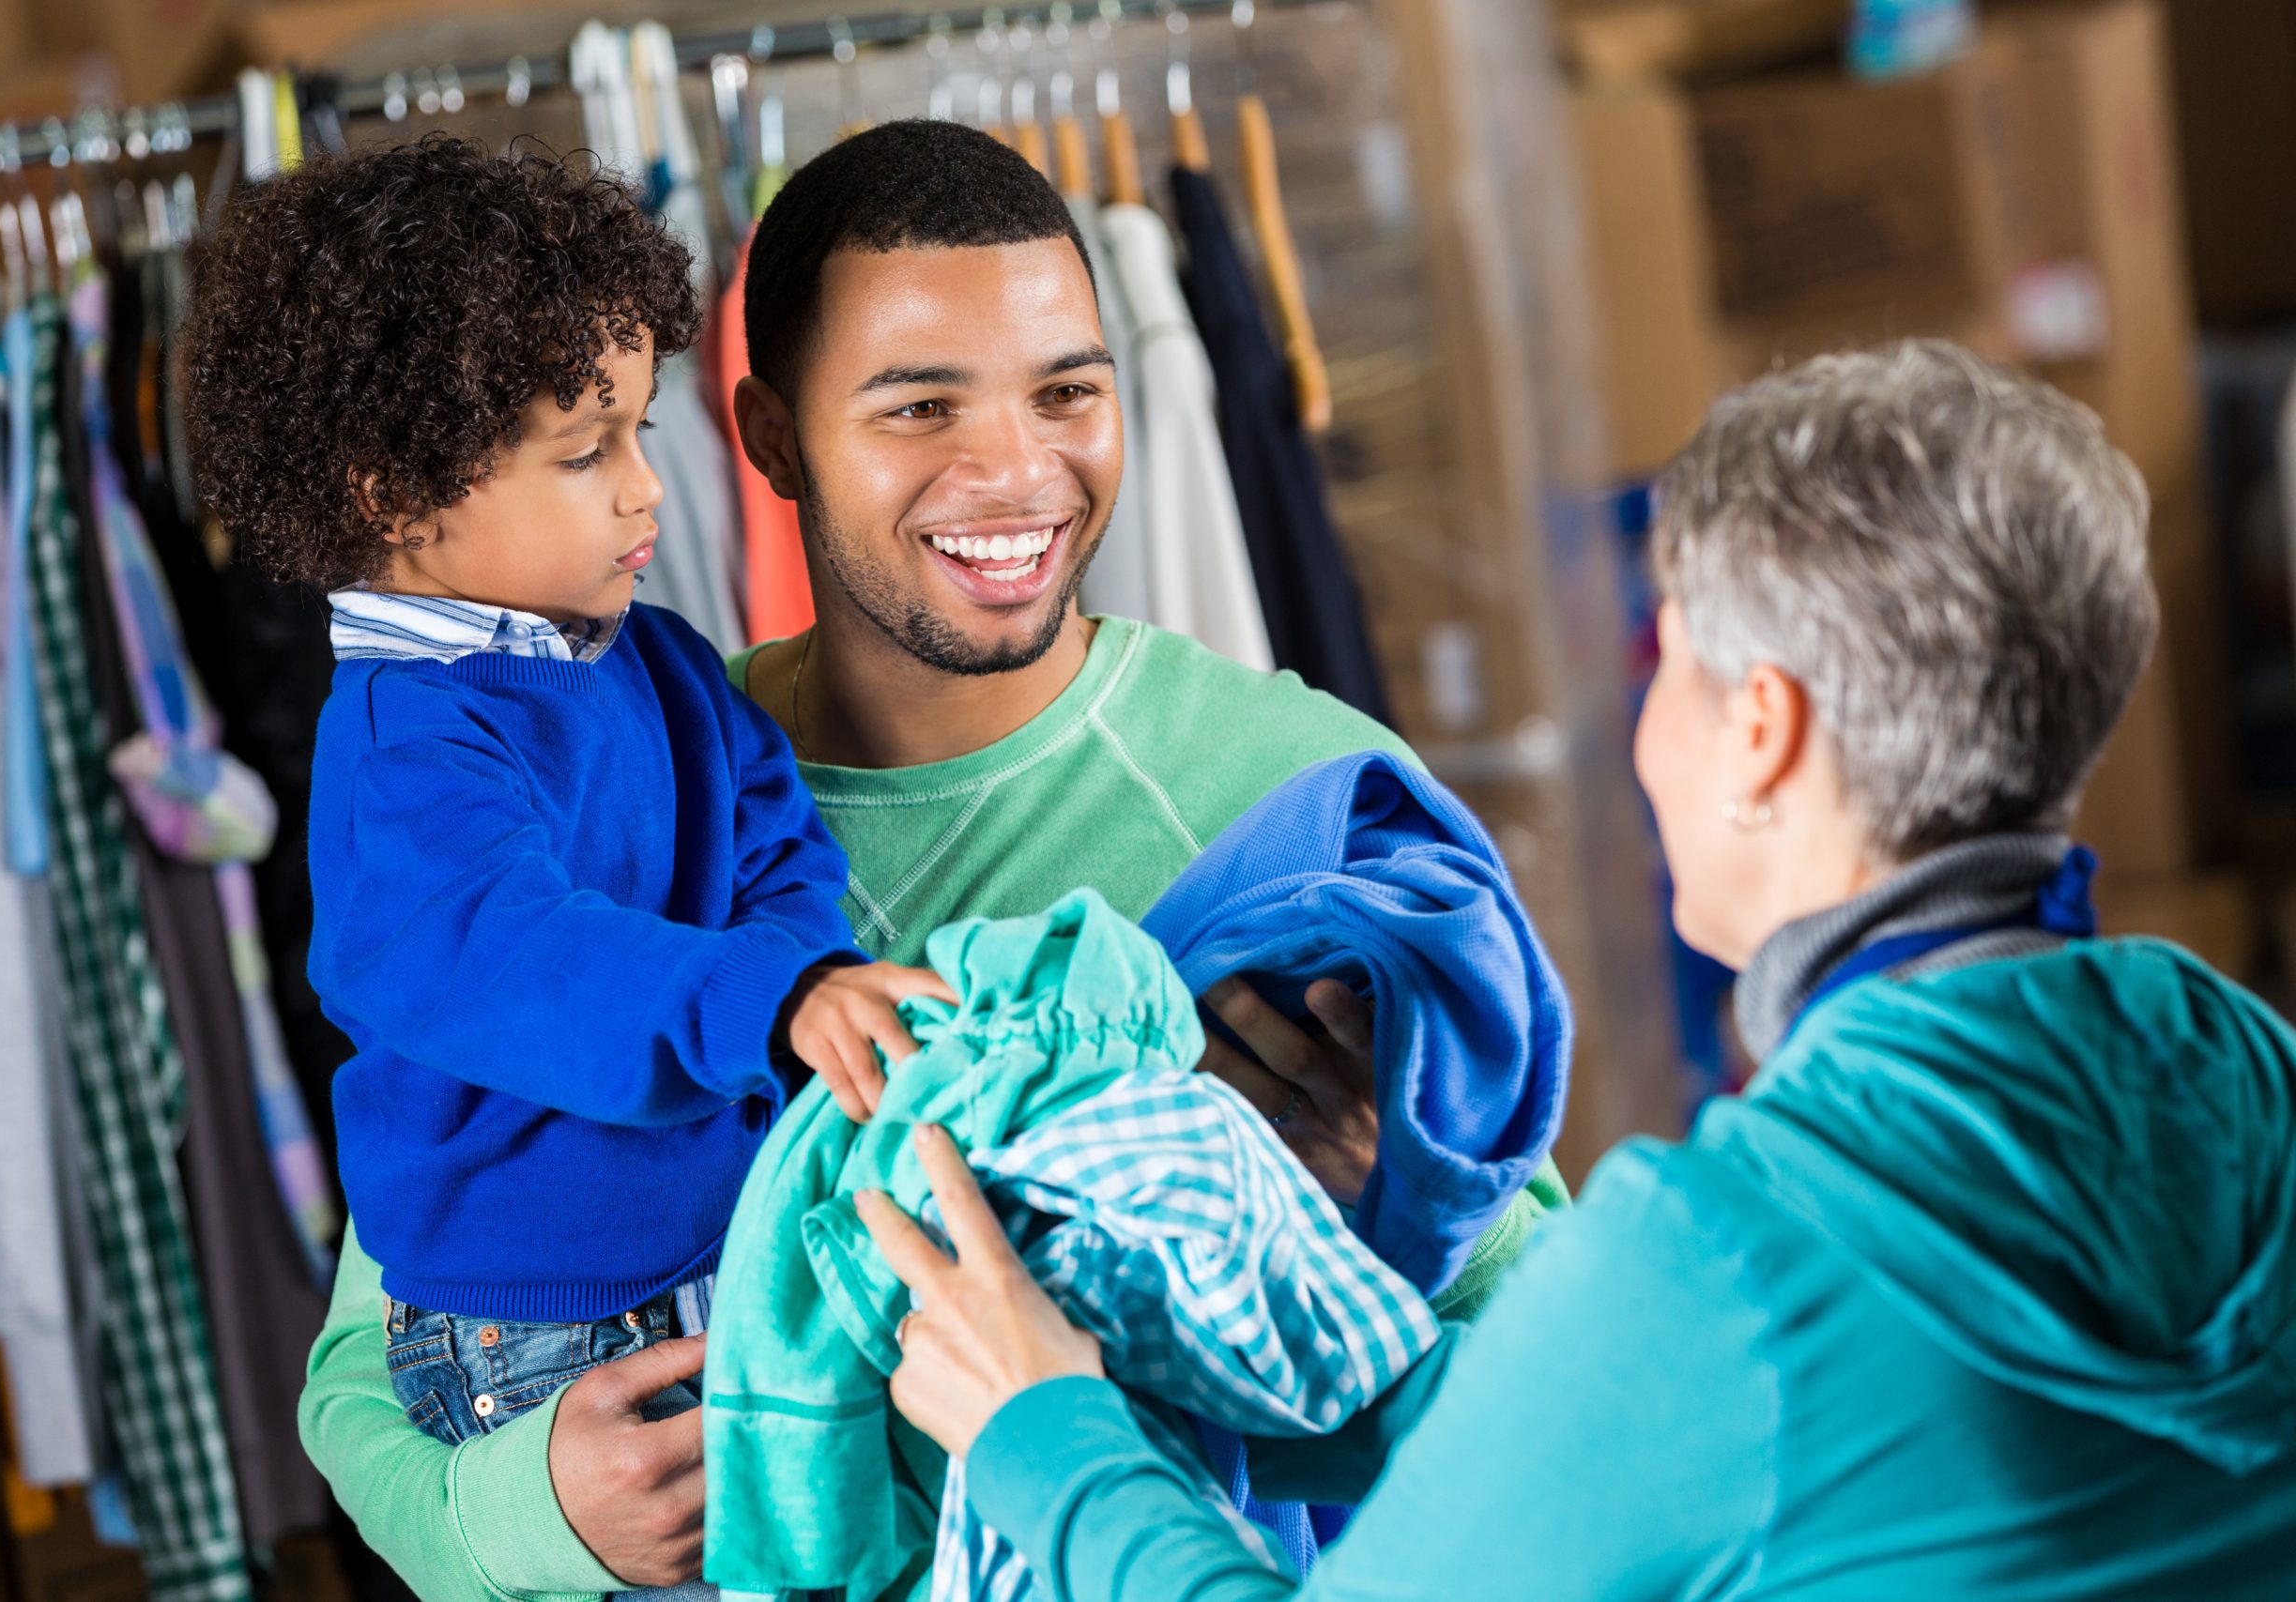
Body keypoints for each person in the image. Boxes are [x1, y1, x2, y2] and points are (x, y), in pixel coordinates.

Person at [295, 121, 1566, 1601]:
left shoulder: (1289, 795)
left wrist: (1379, 1202)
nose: (1016, 471)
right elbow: (362, 1375)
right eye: (919, 408)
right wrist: (540, 1513)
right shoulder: (608, 778)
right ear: (768, 436)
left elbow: (1553, 1367)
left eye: (1069, 392)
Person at [859, 341, 2296, 1599]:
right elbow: (1682, 1431)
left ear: (1761, 735)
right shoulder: (2245, 1061)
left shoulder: (1719, 1258)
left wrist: (1041, 1427)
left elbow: (1715, 1377)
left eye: (1660, 656)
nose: (1641, 716)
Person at [184, 134, 959, 1492]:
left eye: (640, 430)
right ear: (396, 493)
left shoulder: (652, 657)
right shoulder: (403, 748)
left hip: (734, 1252)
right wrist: (761, 1007)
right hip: (546, 1330)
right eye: (583, 449)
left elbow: (780, 845)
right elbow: (516, 951)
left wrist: (802, 977)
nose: (646, 485)